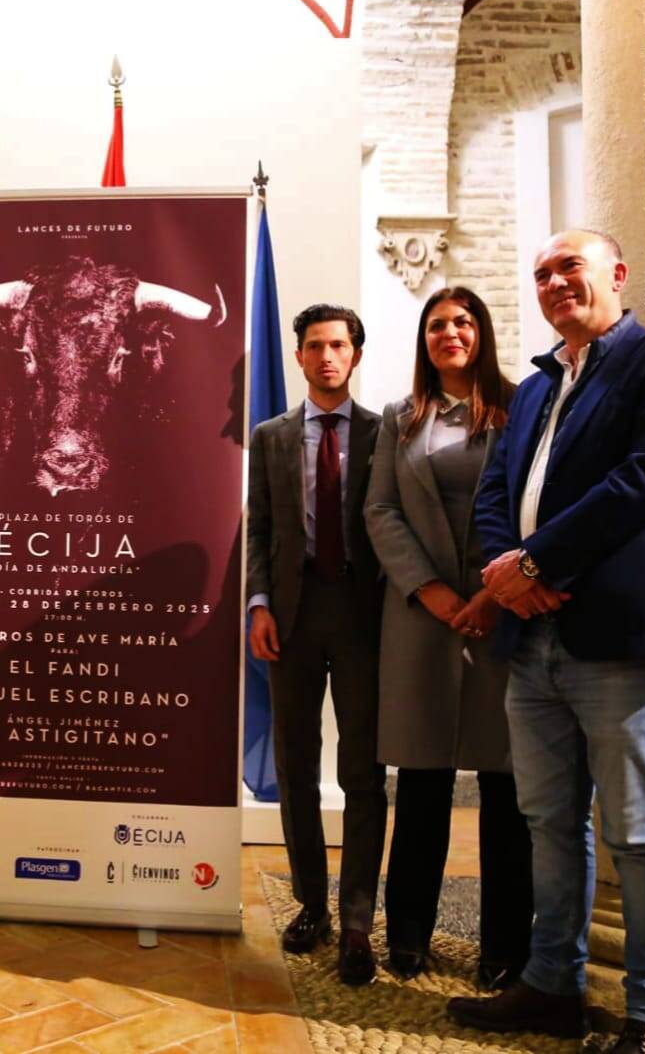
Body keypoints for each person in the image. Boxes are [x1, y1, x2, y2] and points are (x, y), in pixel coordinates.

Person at [447, 230, 645, 1054]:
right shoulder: (532, 390)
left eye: (571, 266)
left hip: (623, 636)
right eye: (541, 273)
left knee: (637, 832)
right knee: (548, 824)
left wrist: (534, 559)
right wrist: (508, 577)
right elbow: (497, 492)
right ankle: (551, 987)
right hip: (532, 640)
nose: (555, 282)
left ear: (616, 275)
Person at [365, 286, 532, 988]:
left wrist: (497, 592)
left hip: (507, 613)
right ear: (423, 340)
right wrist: (431, 590)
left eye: (463, 322)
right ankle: (407, 935)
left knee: (507, 791)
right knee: (424, 784)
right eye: (437, 325)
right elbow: (380, 509)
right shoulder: (399, 419)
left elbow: (537, 498)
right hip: (421, 620)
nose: (450, 333)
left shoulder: (523, 405)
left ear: (481, 332)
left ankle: (505, 950)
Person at [247, 303, 388, 986]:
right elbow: (260, 531)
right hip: (293, 613)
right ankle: (312, 904)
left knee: (363, 771)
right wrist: (259, 604)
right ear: (298, 357)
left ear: (355, 355)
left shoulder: (385, 432)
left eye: (338, 345)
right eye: (313, 346)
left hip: (364, 615)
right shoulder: (270, 437)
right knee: (296, 768)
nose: (326, 356)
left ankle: (357, 918)